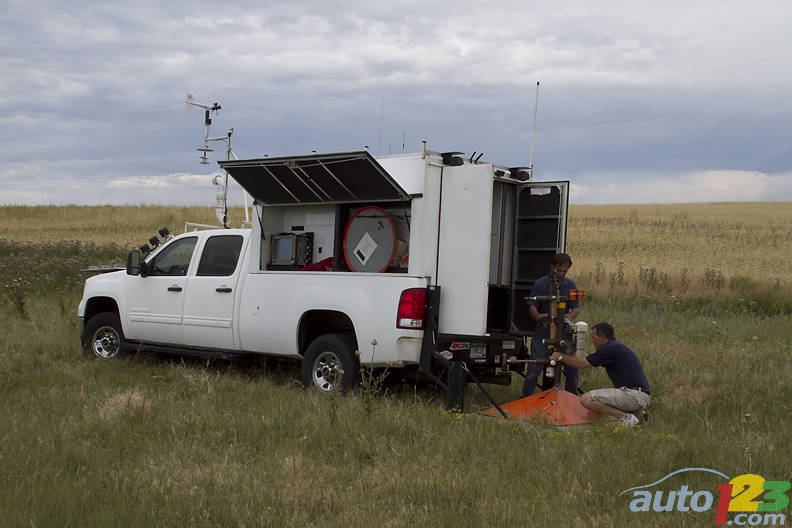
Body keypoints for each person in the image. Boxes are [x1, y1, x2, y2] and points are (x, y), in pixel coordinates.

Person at [549, 322, 650, 427]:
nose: (592, 341)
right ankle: (637, 415)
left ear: (602, 338)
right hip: (640, 395)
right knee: (603, 411)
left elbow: (581, 363)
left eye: (594, 337)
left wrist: (560, 357)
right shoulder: (616, 347)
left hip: (632, 395)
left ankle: (626, 418)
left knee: (587, 399)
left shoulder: (609, 349)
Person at [521, 253, 581, 397]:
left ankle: (571, 400)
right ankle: (526, 399)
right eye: (558, 270)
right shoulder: (540, 284)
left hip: (564, 333)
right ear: (551, 267)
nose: (561, 274)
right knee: (534, 368)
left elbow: (576, 308)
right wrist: (540, 318)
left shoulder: (571, 285)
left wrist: (568, 317)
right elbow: (532, 307)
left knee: (573, 370)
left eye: (565, 271)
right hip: (543, 332)